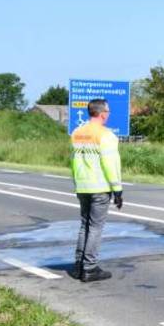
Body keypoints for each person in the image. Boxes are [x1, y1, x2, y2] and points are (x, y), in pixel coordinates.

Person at [70, 98, 123, 282]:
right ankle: (90, 268)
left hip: (82, 186)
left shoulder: (77, 133)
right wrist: (117, 189)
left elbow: (73, 161)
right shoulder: (106, 135)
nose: (108, 114)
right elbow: (110, 163)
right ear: (102, 113)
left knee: (84, 225)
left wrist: (77, 183)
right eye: (107, 111)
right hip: (100, 186)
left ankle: (78, 264)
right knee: (95, 227)